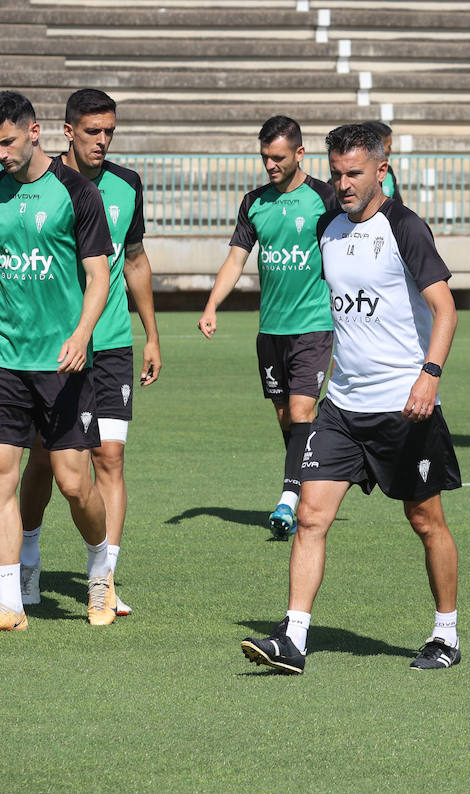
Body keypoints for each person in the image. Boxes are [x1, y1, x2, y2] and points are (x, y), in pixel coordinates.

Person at [240, 123, 463, 674]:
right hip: (341, 406)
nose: (342, 184)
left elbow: (446, 310)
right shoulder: (327, 227)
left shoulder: (406, 229)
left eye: (354, 173)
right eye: (336, 173)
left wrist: (429, 374)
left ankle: (446, 634)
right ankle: (292, 637)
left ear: (381, 170)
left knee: (425, 520)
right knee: (311, 518)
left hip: (403, 407)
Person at [0, 90, 114, 632]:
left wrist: (81, 334)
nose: (0, 153)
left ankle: (101, 569)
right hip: (4, 357)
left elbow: (98, 276)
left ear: (35, 131)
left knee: (74, 483)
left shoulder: (77, 193)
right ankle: (9, 604)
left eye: (7, 141)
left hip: (63, 362)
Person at [17, 88, 161, 616]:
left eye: (109, 132)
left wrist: (151, 333)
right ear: (68, 132)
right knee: (43, 460)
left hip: (112, 346)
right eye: (92, 131)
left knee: (111, 457)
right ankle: (28, 560)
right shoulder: (45, 185)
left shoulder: (127, 185)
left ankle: (105, 576)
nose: (102, 141)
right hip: (53, 348)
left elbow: (136, 260)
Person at [198, 115, 336, 539]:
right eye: (264, 158)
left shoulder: (326, 198)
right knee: (285, 418)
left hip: (314, 324)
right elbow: (237, 259)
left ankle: (288, 499)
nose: (270, 165)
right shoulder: (254, 202)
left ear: (299, 153)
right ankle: (304, 481)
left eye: (278, 158)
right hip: (270, 329)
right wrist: (211, 305)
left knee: (300, 411)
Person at [363, 120, 401, 202]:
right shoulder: (345, 179)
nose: (390, 150)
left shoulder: (389, 172)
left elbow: (398, 204)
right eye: (389, 146)